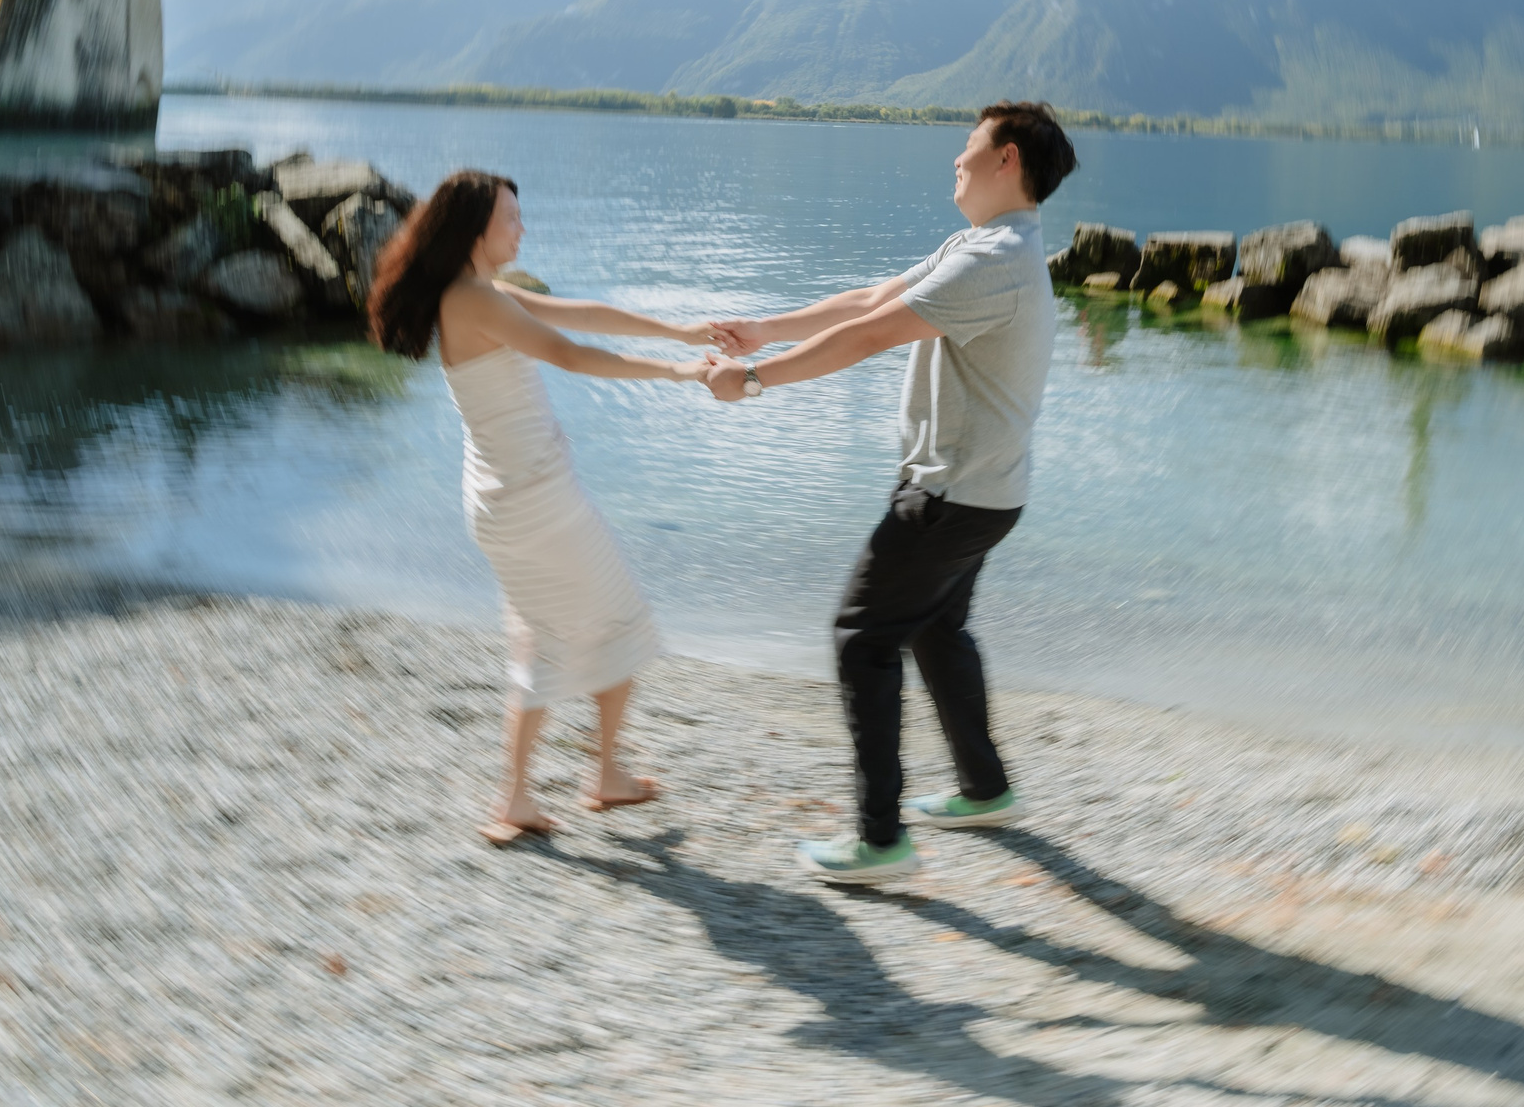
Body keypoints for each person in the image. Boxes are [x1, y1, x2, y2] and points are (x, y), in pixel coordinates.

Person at [707, 102, 1078, 883]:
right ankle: (985, 789)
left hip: (949, 496)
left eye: (969, 146)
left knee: (862, 636)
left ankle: (881, 840)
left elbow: (873, 335)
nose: (956, 159)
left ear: (1007, 159)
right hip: (990, 493)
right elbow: (877, 298)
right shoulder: (985, 244)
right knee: (937, 628)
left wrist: (755, 380)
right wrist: (765, 328)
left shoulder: (995, 259)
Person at [369, 168, 718, 845]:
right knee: (616, 624)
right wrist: (681, 372)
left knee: (554, 638)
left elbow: (580, 314)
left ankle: (541, 789)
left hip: (510, 498)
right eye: (511, 218)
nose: (522, 229)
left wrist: (680, 331)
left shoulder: (478, 295)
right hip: (534, 500)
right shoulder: (476, 301)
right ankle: (576, 781)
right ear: (476, 230)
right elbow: (570, 354)